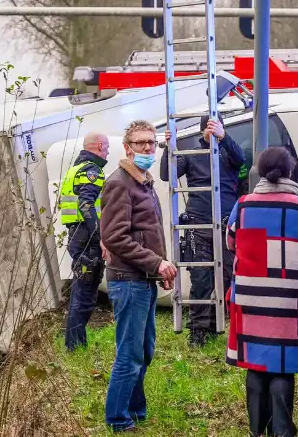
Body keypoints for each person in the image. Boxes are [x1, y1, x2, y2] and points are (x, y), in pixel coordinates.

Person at [225, 147, 298, 437]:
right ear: (289, 171)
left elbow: (231, 242)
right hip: (293, 296)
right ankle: (283, 430)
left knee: (256, 361)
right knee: (283, 364)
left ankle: (255, 430)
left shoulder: (244, 205)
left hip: (250, 295)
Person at [100, 119, 177, 433]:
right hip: (128, 282)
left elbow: (147, 233)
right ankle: (118, 420)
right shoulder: (119, 183)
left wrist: (160, 268)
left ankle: (136, 411)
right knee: (129, 355)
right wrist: (156, 264)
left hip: (143, 279)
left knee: (143, 351)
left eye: (152, 143)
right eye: (141, 143)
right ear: (126, 147)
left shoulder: (144, 181)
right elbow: (115, 236)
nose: (148, 148)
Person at [161, 114, 247, 346]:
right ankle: (199, 329)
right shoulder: (191, 155)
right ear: (202, 131)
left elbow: (242, 160)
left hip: (227, 224)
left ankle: (227, 325)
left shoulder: (229, 152)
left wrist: (224, 136)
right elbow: (166, 175)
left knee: (231, 276)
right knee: (201, 280)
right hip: (198, 224)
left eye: (218, 127)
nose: (214, 131)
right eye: (210, 128)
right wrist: (168, 148)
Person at [60, 132, 110, 351]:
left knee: (81, 291)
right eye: (106, 147)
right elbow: (86, 205)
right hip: (87, 236)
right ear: (99, 145)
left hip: (76, 235)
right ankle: (75, 347)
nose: (107, 151)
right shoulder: (92, 170)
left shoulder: (74, 169)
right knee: (86, 295)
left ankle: (75, 344)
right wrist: (100, 237)